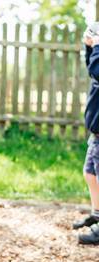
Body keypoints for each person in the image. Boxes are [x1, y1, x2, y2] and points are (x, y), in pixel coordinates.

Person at [73, 23, 99, 245]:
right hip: (96, 131)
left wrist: (97, 45)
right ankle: (97, 214)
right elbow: (92, 68)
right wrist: (88, 46)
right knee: (90, 173)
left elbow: (97, 70)